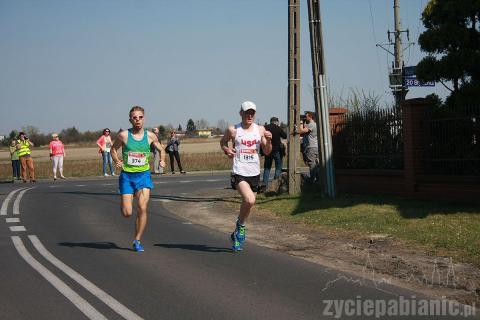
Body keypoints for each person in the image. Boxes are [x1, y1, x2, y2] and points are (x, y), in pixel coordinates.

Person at [111, 106, 166, 252]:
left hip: (143, 176)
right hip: (127, 177)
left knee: (142, 208)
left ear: (144, 118)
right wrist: (116, 160)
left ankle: (137, 240)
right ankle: (127, 198)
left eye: (140, 117)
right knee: (127, 213)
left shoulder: (150, 136)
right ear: (130, 119)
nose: (137, 120)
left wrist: (162, 160)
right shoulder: (123, 135)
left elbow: (161, 149)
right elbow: (112, 149)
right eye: (134, 117)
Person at [220, 101, 272, 251]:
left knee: (249, 204)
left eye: (252, 113)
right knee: (250, 199)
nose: (250, 115)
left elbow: (267, 151)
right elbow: (223, 142)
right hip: (239, 171)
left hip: (254, 172)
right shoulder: (233, 130)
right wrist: (227, 150)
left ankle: (237, 231)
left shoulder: (260, 129)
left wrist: (268, 140)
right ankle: (241, 226)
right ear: (241, 113)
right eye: (247, 112)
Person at [262, 116, 287, 188]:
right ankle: (275, 183)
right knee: (278, 167)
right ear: (276, 122)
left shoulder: (265, 127)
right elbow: (285, 136)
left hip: (268, 150)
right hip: (277, 150)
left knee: (267, 168)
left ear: (270, 121)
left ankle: (264, 185)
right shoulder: (278, 128)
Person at [298, 111, 319, 183]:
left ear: (310, 117)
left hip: (311, 147)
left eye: (306, 116)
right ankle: (318, 180)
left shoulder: (312, 125)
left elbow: (300, 131)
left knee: (312, 164)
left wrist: (300, 123)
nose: (305, 118)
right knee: (316, 164)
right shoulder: (313, 124)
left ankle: (312, 180)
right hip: (315, 146)